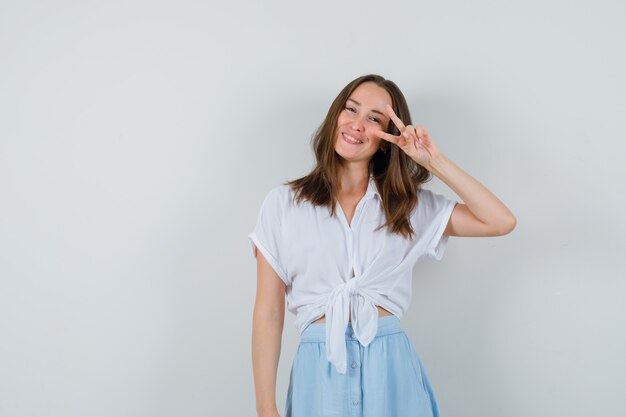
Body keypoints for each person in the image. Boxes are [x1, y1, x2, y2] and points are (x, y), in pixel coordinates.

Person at [249, 74, 516, 417]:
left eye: (374, 119)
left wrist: (432, 161)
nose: (357, 125)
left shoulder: (409, 207)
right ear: (335, 117)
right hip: (319, 375)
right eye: (351, 109)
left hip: (391, 373)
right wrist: (264, 408)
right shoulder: (283, 205)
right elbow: (268, 314)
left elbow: (500, 221)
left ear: (387, 139)